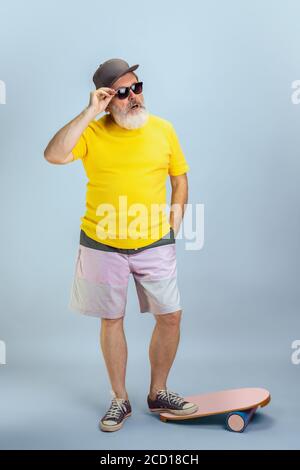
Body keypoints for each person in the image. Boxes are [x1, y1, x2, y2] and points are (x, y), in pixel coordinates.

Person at [44, 58, 198, 432]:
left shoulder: (163, 130)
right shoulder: (92, 133)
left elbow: (179, 179)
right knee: (112, 320)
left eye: (137, 87)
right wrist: (88, 111)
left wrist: (172, 224)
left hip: (154, 243)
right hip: (101, 243)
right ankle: (119, 399)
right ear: (107, 99)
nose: (134, 97)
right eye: (123, 93)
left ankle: (158, 391)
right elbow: (54, 155)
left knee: (171, 315)